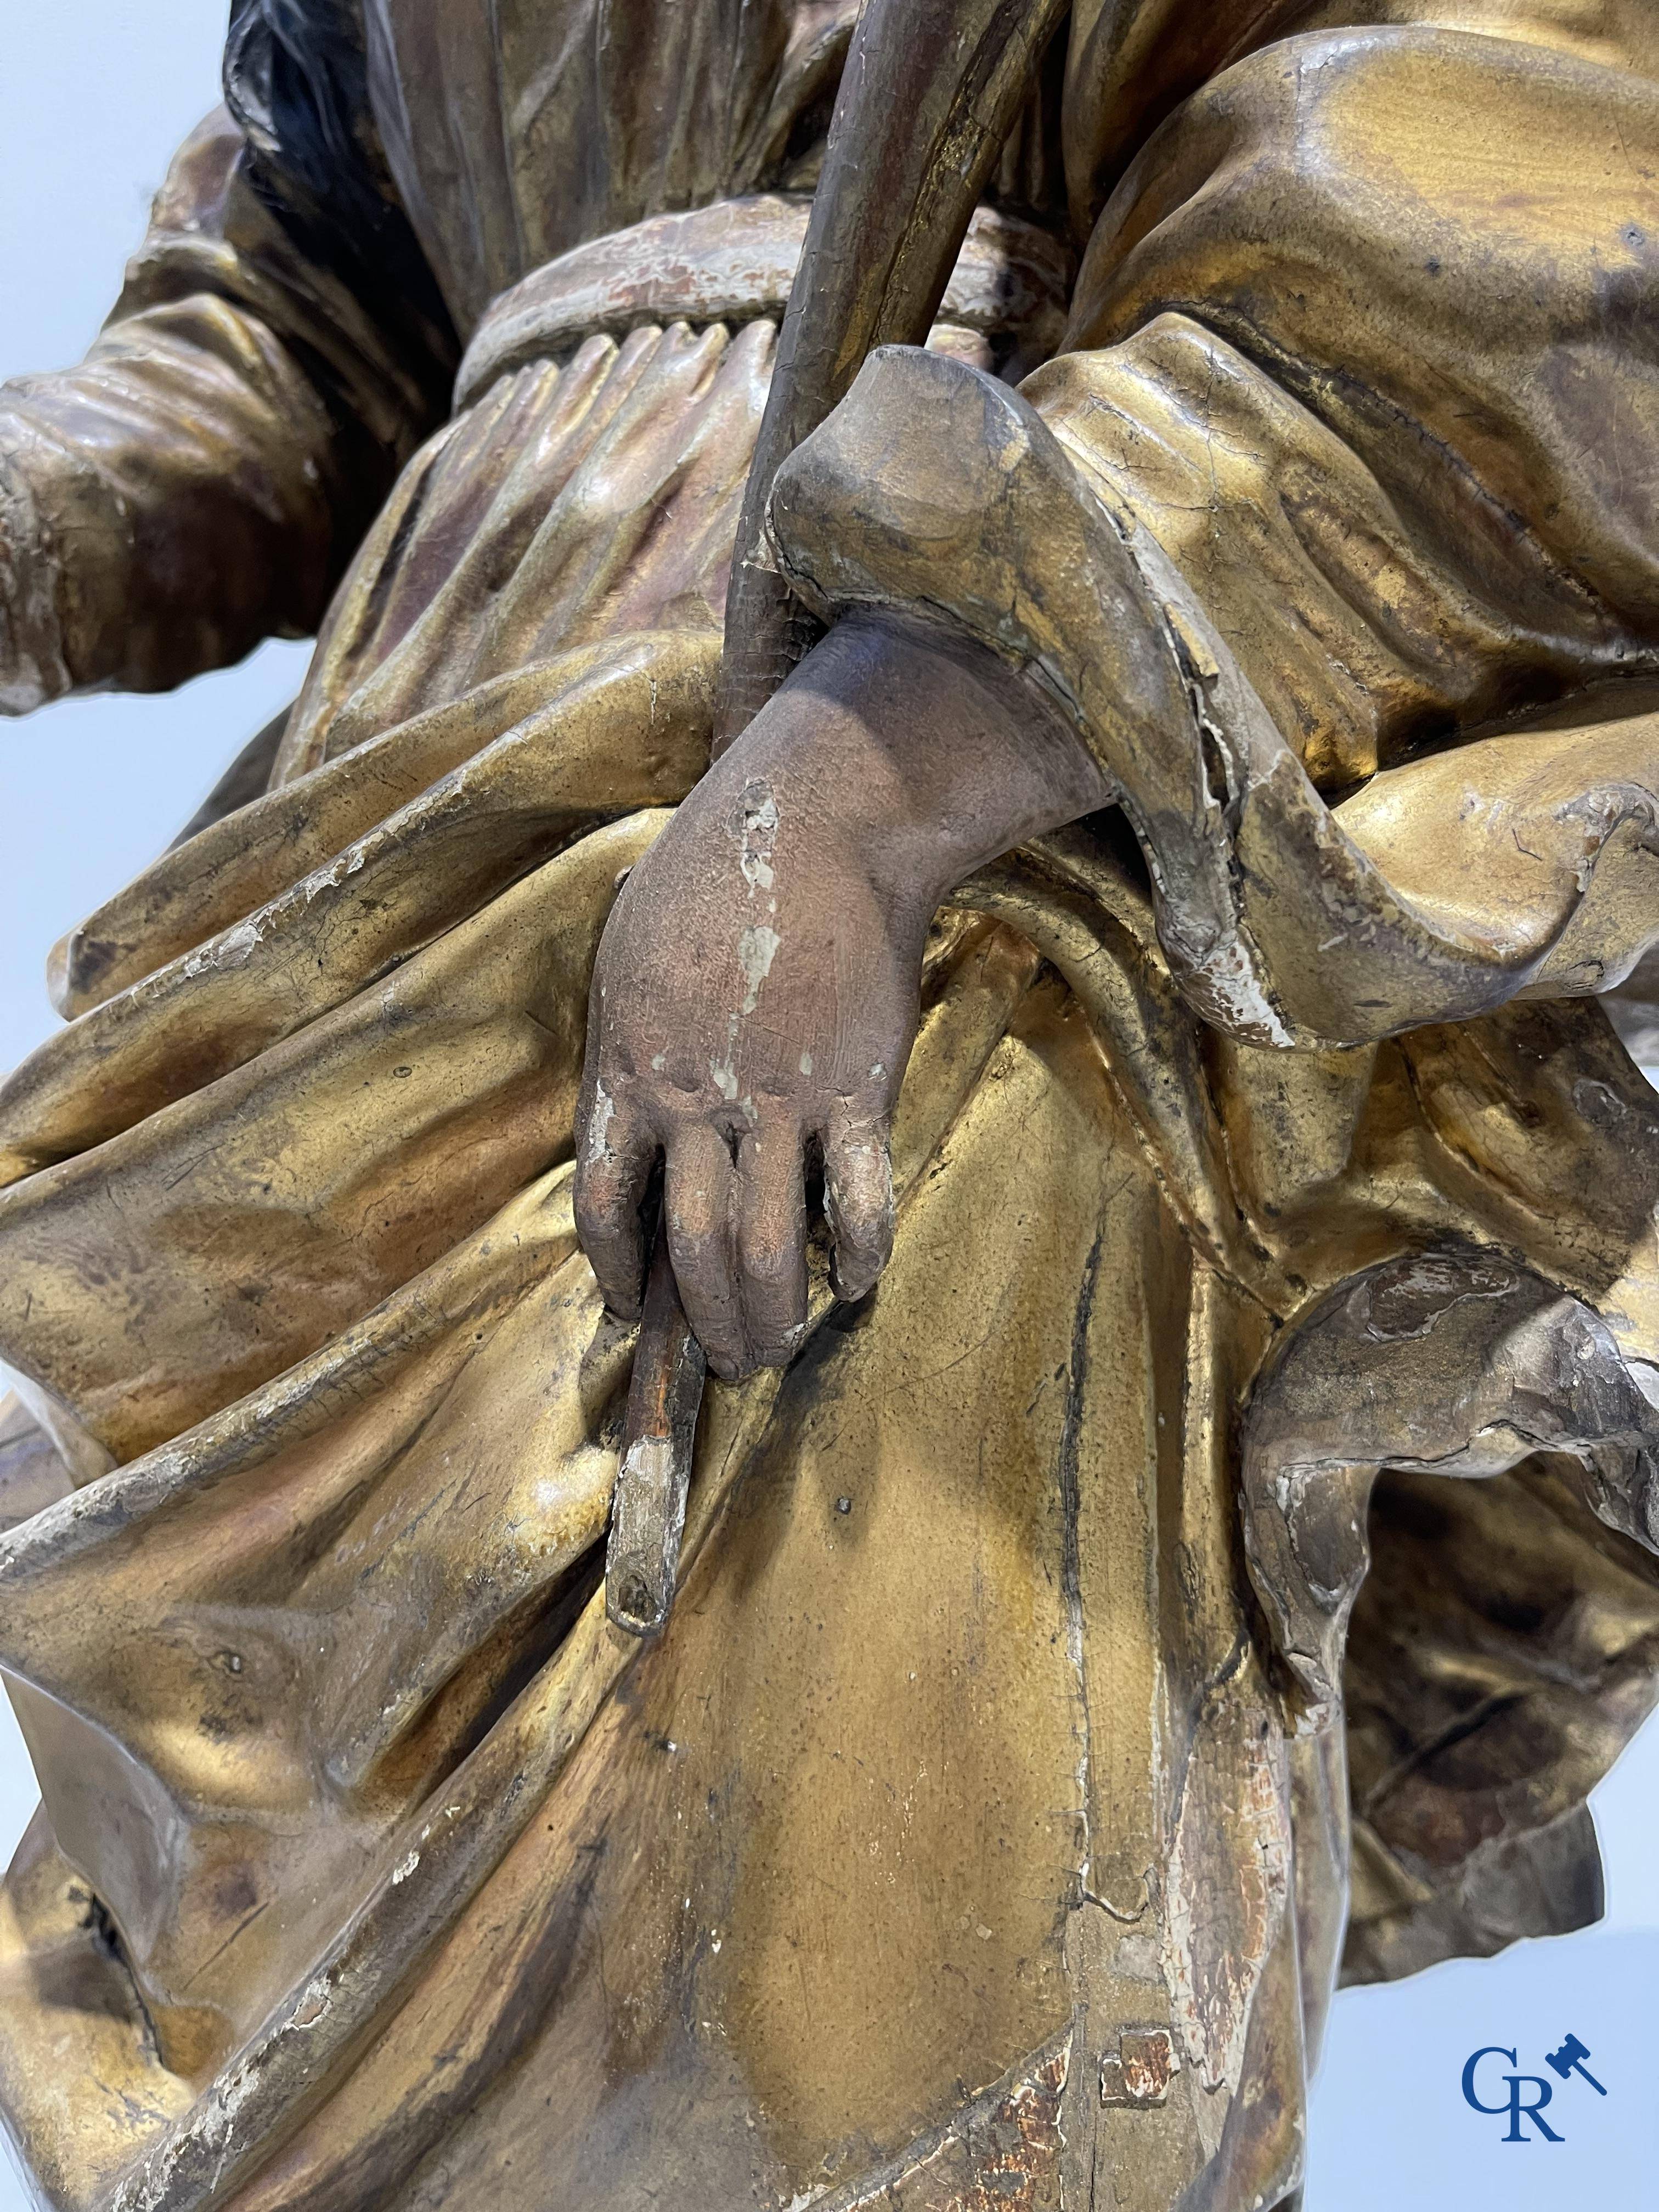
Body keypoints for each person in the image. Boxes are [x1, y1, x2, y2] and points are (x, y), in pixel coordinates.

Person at [2, 3, 1659, 2206]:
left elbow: (1506, 191)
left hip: (985, 845)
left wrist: (869, 783)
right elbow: (306, 330)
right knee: (266, 1987)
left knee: (830, 2002)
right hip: (404, 899)